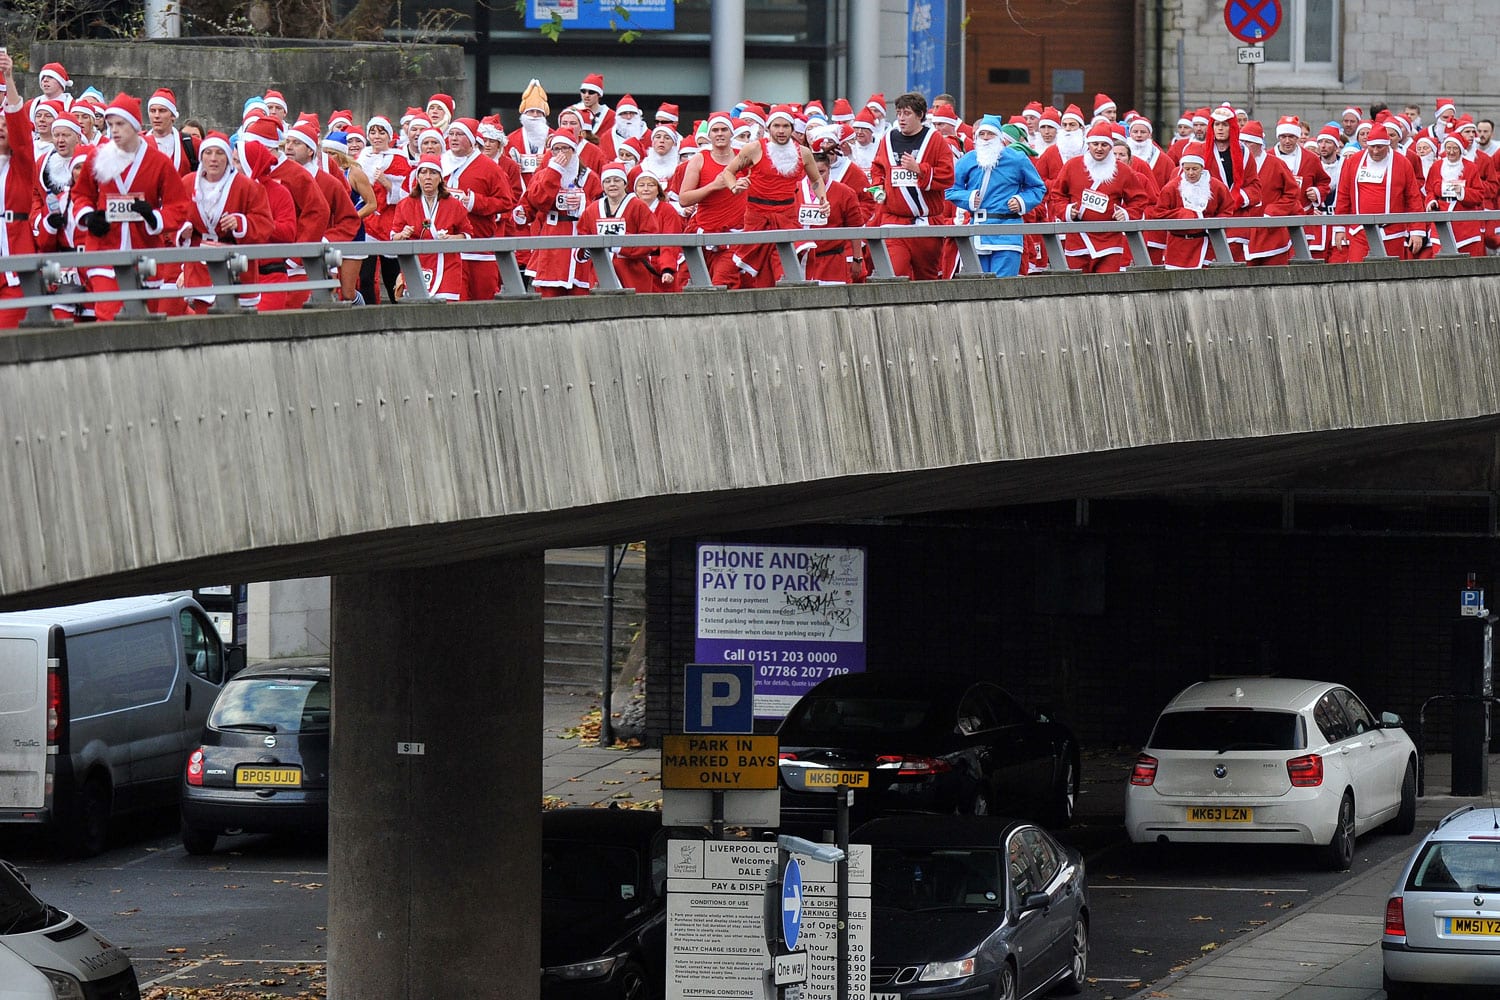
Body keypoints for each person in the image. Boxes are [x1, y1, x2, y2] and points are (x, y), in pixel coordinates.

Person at [70, 91, 190, 321]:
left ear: (134, 126)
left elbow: (179, 206)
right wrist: (88, 217)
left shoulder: (158, 162)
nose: (114, 130)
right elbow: (80, 194)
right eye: (110, 124)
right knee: (109, 315)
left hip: (144, 249)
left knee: (143, 320)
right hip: (104, 247)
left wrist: (154, 217)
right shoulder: (98, 157)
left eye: (120, 124)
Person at [716, 105, 828, 288]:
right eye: (776, 126)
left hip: (787, 216)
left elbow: (816, 180)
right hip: (757, 217)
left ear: (792, 128)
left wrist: (823, 199)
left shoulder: (803, 153)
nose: (781, 131)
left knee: (786, 267)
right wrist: (734, 186)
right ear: (768, 127)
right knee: (756, 273)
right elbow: (728, 172)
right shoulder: (753, 149)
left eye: (786, 126)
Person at [171, 131, 274, 315]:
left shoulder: (246, 186)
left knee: (238, 322)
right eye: (208, 153)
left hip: (237, 266)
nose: (213, 159)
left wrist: (240, 223)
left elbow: (265, 223)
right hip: (200, 265)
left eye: (219, 153)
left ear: (227, 157)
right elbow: (172, 216)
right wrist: (182, 230)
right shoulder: (187, 183)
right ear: (201, 156)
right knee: (205, 321)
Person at [867, 91, 954, 280]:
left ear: (920, 115)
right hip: (893, 219)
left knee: (926, 278)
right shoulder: (888, 139)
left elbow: (948, 176)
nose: (901, 118)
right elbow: (877, 169)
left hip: (926, 221)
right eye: (898, 113)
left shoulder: (935, 139)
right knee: (895, 274)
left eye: (906, 113)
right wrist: (877, 188)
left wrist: (920, 169)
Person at [944, 115, 1046, 277]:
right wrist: (969, 198)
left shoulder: (1017, 159)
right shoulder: (969, 159)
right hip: (978, 231)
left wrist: (1021, 201)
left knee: (1003, 288)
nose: (985, 138)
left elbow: (1038, 187)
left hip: (1008, 232)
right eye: (982, 134)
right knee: (978, 288)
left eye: (990, 134)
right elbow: (950, 189)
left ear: (999, 137)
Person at [1046, 119, 1151, 274]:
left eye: (1104, 144)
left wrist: (1127, 213)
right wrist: (1066, 211)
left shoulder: (1122, 170)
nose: (1099, 148)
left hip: (1109, 238)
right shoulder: (1072, 166)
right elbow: (1057, 194)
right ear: (1088, 145)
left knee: (1108, 286)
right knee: (1077, 287)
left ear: (1110, 146)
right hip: (1078, 238)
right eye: (1095, 144)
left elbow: (1139, 199)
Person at [524, 127, 601, 297]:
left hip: (579, 234)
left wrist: (583, 203)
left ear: (573, 150)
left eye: (564, 148)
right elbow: (538, 201)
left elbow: (601, 209)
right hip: (552, 234)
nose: (560, 153)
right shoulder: (544, 174)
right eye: (556, 149)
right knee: (549, 290)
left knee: (579, 290)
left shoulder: (590, 177)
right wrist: (554, 172)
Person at [1333, 120, 1424, 262]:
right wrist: (1339, 228)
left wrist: (1417, 230)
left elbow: (1413, 198)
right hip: (1360, 232)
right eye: (1372, 147)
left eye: (1380, 147)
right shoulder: (1353, 161)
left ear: (1388, 145)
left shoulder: (1402, 163)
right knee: (1358, 272)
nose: (1375, 151)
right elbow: (1343, 195)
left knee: (1391, 274)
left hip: (1392, 232)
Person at [677, 113, 750, 288]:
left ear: (731, 133)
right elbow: (684, 199)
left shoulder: (744, 158)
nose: (719, 134)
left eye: (724, 129)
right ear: (709, 135)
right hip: (703, 234)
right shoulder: (699, 159)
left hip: (734, 236)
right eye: (715, 130)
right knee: (690, 286)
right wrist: (714, 186)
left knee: (721, 284)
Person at [445, 117, 514, 301]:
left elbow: (506, 202)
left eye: (459, 134)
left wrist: (474, 203)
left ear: (472, 139)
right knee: (454, 306)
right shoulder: (440, 164)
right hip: (447, 250)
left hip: (480, 249)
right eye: (451, 134)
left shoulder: (490, 168)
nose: (453, 138)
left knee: (483, 306)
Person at [387, 154, 472, 301]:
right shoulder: (405, 204)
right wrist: (403, 234)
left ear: (440, 178)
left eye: (433, 173)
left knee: (447, 306)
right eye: (423, 172)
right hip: (416, 263)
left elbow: (467, 233)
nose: (428, 177)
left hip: (447, 263)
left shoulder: (454, 204)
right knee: (417, 307)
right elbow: (394, 236)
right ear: (417, 177)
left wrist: (450, 238)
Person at [576, 161, 658, 291]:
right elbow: (582, 234)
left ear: (625, 183)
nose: (612, 184)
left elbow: (650, 239)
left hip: (632, 273)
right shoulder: (592, 209)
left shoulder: (639, 207)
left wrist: (620, 245)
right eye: (607, 181)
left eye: (617, 180)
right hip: (601, 272)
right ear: (602, 185)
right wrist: (585, 250)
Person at [1152, 141, 1234, 270]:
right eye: (1187, 169)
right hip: (1178, 245)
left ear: (1202, 167)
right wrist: (1184, 214)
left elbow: (1227, 210)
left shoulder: (1216, 186)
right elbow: (1158, 213)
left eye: (1195, 169)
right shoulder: (1172, 187)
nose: (1190, 173)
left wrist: (1212, 225)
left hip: (1207, 243)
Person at [0, 51, 37, 328]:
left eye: (5, 124)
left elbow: (20, 130)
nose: (2, 128)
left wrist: (9, 78)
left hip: (14, 256)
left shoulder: (21, 165)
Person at [794, 148, 864, 284]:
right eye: (812, 172)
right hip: (800, 259)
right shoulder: (794, 190)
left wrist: (857, 258)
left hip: (832, 260)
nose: (817, 177)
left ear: (829, 169)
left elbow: (855, 227)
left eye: (821, 172)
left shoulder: (845, 192)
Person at [1424, 133, 1487, 257]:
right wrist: (1431, 202)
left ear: (1460, 150)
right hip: (1441, 220)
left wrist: (1463, 192)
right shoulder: (1436, 166)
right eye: (1448, 148)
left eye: (1455, 148)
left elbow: (1480, 194)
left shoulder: (1470, 167)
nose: (1451, 152)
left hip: (1465, 224)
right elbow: (1429, 190)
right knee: (1440, 259)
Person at [625, 170, 682, 292]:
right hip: (635, 265)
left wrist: (667, 268)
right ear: (635, 190)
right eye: (641, 185)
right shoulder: (630, 210)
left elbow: (670, 241)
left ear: (658, 189)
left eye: (651, 185)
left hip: (659, 266)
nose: (646, 189)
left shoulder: (667, 210)